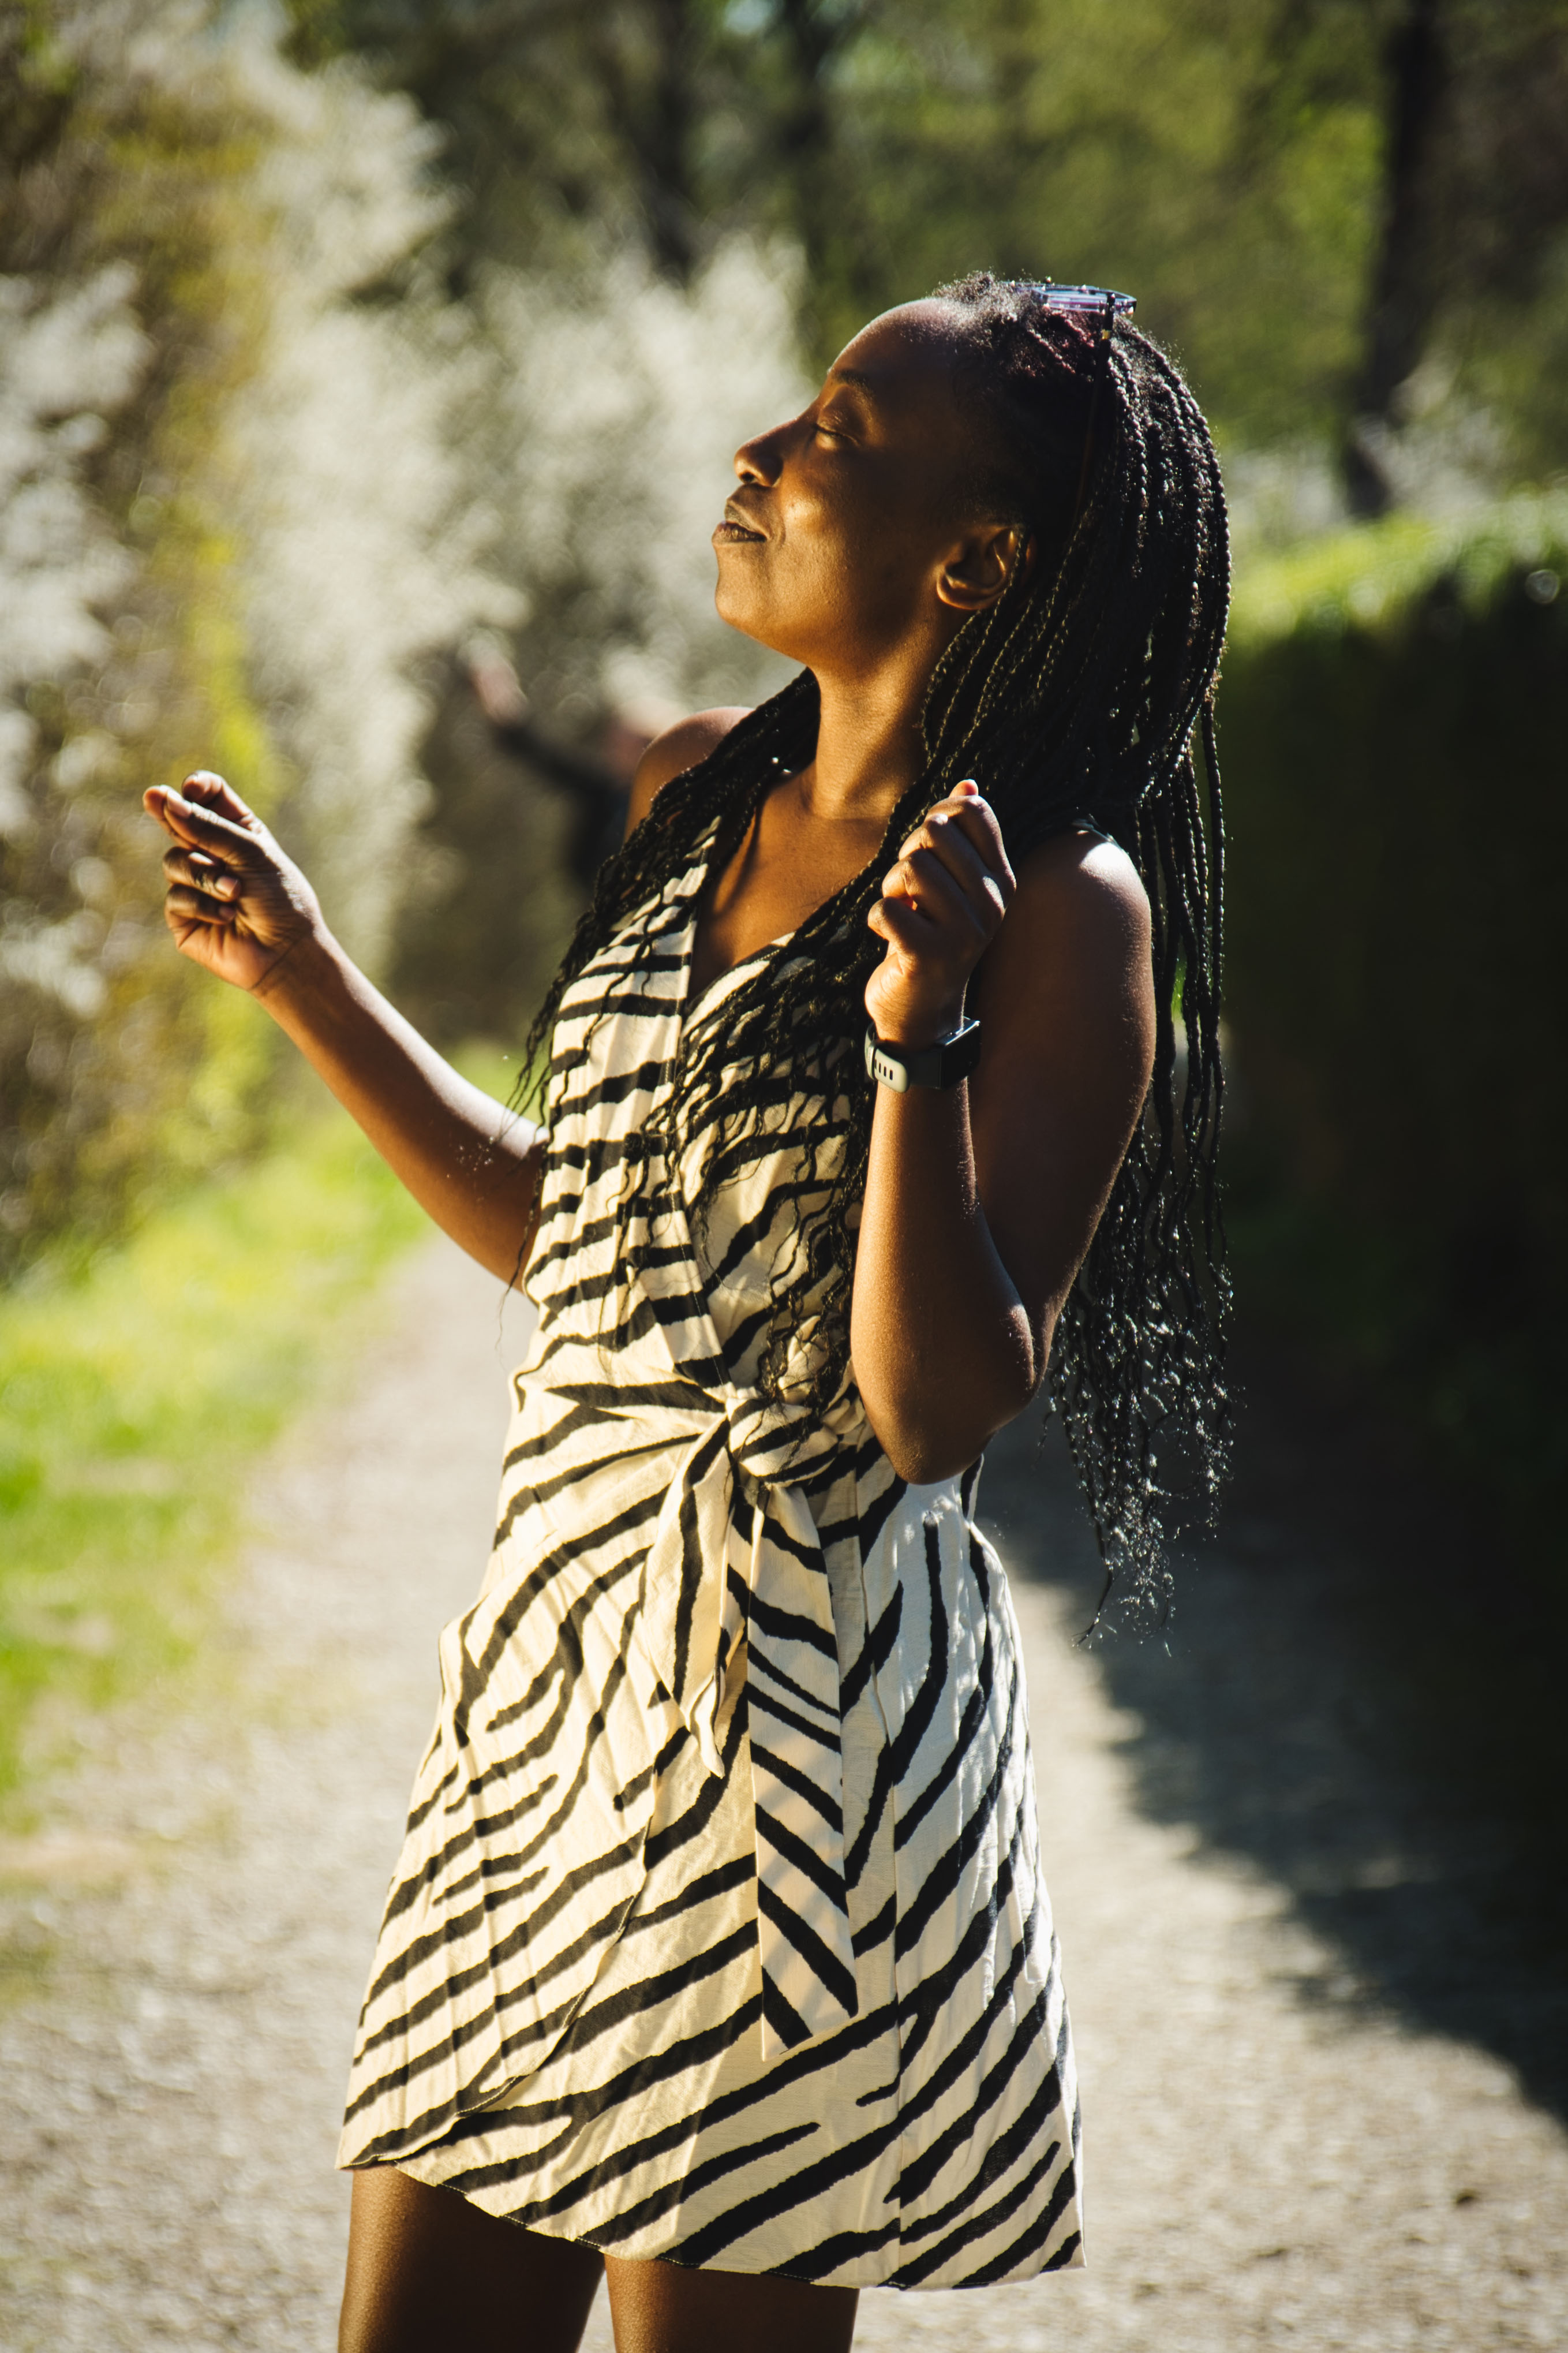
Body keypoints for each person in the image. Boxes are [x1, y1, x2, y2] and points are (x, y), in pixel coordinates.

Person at [144, 272, 1229, 2353]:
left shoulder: (1064, 909)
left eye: (836, 432)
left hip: (795, 1766)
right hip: (543, 1704)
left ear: (974, 561)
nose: (758, 453)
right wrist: (301, 973)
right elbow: (589, 1233)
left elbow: (934, 1407)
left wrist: (917, 1035)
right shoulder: (696, 790)